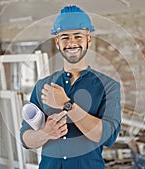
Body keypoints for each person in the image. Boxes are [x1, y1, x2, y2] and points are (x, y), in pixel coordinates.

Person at [20, 5, 121, 169]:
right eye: (65, 37)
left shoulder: (108, 87)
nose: (71, 43)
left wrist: (67, 104)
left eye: (78, 36)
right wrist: (45, 133)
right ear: (57, 42)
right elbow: (26, 138)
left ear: (88, 39)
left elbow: (107, 136)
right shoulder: (42, 86)